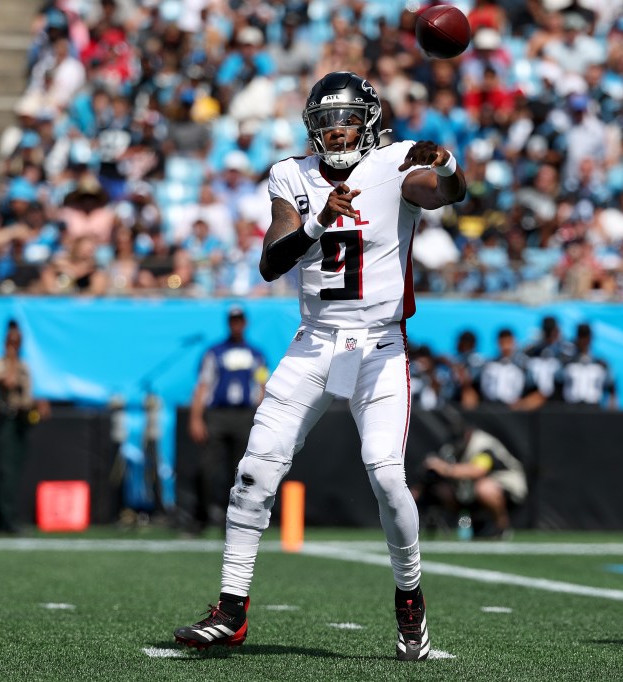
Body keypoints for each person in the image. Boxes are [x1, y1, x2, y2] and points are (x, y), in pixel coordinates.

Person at [174, 71, 467, 661]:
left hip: (380, 346)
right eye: (326, 123)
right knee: (255, 471)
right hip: (315, 341)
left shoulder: (395, 162)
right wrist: (316, 221)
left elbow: (445, 193)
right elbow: (270, 263)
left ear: (369, 121)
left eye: (347, 120)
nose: (337, 132)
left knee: (386, 475)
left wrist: (452, 164)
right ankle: (230, 611)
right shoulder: (292, 175)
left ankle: (409, 599)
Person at [187, 306, 268, 530]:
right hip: (218, 415)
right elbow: (202, 386)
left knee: (242, 470)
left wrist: (261, 418)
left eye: (240, 321)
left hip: (243, 415)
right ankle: (201, 517)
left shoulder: (256, 354)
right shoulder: (214, 352)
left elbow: (261, 386)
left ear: (245, 323)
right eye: (233, 321)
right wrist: (196, 418)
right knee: (208, 467)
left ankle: (237, 520)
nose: (236, 325)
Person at [415, 414, 527, 539]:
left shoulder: (483, 443)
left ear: (468, 433)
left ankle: (501, 527)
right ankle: (474, 524)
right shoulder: (451, 446)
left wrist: (444, 468)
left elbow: (478, 470)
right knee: (442, 490)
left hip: (506, 484)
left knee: (484, 488)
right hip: (471, 489)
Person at [0, 320, 47, 535]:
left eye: (18, 341)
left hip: (21, 422)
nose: (15, 344)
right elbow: (9, 382)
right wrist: (11, 358)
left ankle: (2, 519)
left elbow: (25, 397)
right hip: (4, 421)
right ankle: (5, 520)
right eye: (12, 341)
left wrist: (39, 405)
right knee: (7, 471)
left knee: (14, 471)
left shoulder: (25, 367)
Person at [553, 323, 617, 408]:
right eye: (581, 337)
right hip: (571, 408)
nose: (584, 341)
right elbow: (557, 386)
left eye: (586, 337)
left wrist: (612, 409)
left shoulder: (601, 364)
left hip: (594, 408)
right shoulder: (567, 364)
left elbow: (611, 389)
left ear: (590, 338)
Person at [479, 328, 544, 409]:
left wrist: (522, 404)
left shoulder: (523, 366)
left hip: (513, 413)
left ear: (514, 342)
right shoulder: (489, 366)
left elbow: (539, 394)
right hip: (491, 410)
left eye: (508, 342)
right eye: (502, 343)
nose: (505, 347)